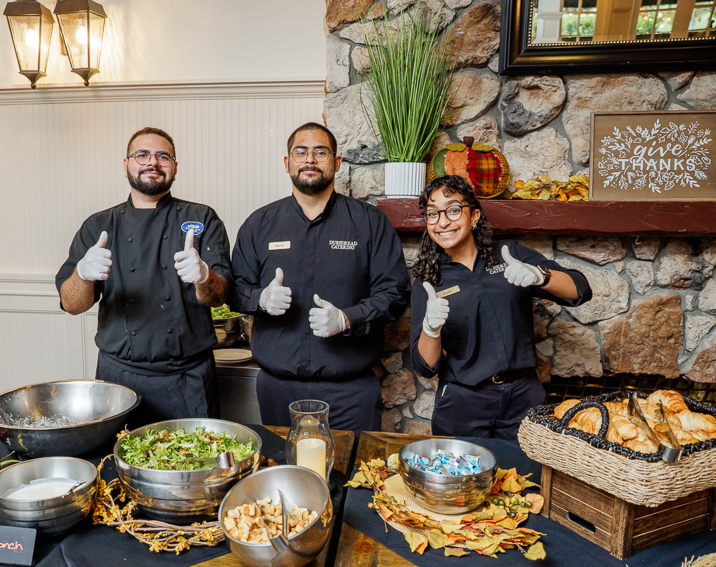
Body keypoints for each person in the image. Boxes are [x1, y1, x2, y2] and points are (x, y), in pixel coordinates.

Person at [229, 122, 411, 432]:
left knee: (353, 465)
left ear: (337, 162)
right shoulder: (258, 224)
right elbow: (234, 290)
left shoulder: (370, 223)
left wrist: (347, 319)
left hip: (350, 393)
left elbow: (394, 293)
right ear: (287, 163)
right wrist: (260, 298)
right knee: (282, 464)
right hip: (278, 389)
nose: (310, 159)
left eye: (320, 152)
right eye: (300, 152)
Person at [56, 127, 231, 426]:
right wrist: (82, 275)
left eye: (163, 156)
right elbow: (72, 305)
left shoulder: (202, 218)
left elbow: (220, 297)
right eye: (142, 155)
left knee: (196, 454)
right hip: (118, 378)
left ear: (175, 167)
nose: (153, 162)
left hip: (188, 378)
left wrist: (204, 277)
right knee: (116, 454)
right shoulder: (99, 225)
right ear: (126, 165)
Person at [410, 175, 592, 439]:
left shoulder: (509, 254)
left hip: (523, 396)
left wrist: (541, 276)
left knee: (527, 466)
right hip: (463, 401)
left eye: (453, 210)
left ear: (474, 216)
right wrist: (431, 329)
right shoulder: (429, 281)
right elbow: (425, 366)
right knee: (463, 467)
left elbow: (580, 289)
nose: (443, 222)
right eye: (432, 213)